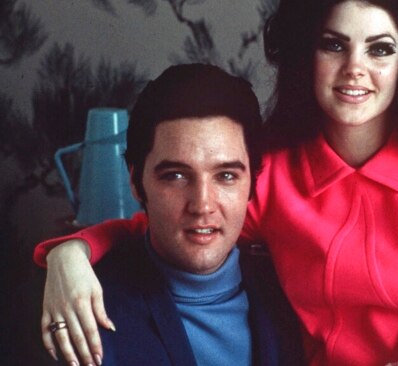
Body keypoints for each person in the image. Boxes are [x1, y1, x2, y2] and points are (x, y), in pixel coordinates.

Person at [34, 1, 398, 364]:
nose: (354, 69)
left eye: (379, 49)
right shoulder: (274, 175)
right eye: (334, 45)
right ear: (308, 53)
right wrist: (69, 255)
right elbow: (161, 223)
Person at [40, 64, 303, 366]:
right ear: (137, 183)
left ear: (252, 183)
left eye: (226, 176)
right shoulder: (85, 307)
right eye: (176, 176)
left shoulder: (289, 288)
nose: (202, 205)